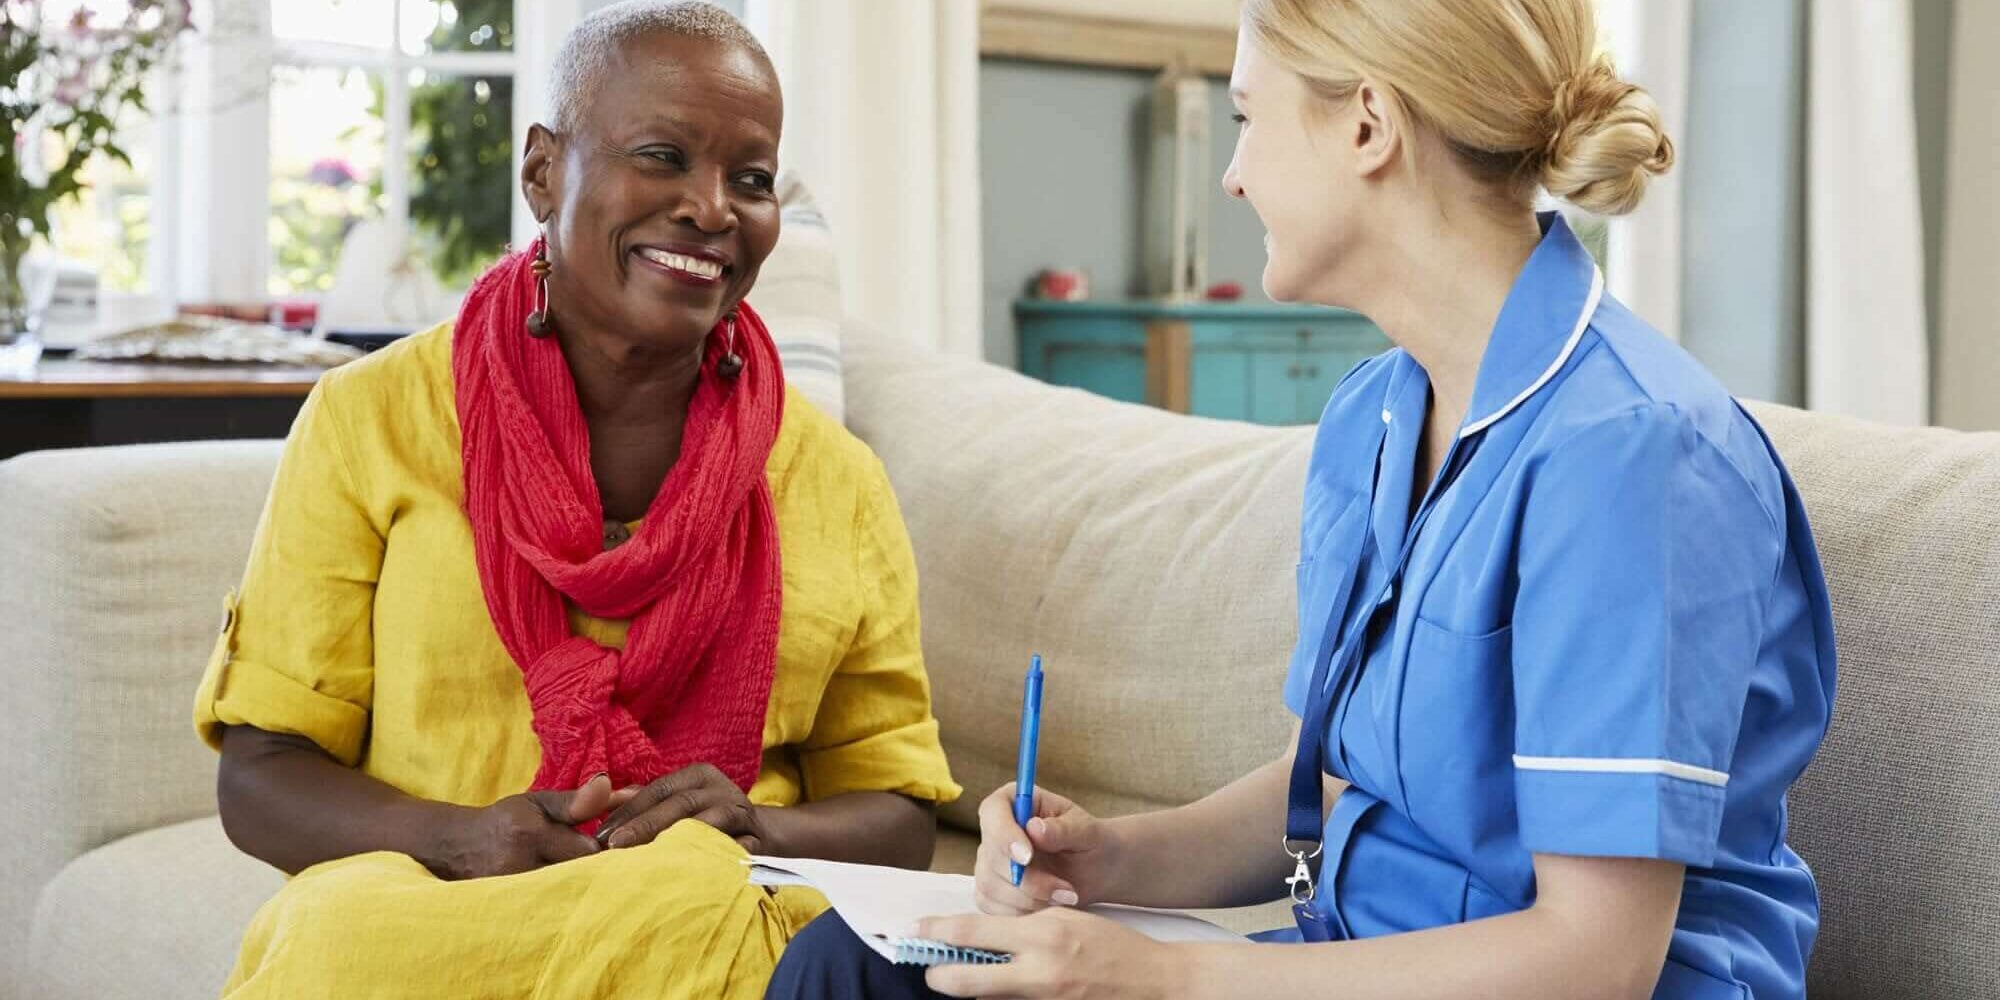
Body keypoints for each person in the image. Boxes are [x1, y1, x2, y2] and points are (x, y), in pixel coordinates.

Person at [766, 0, 1835, 997]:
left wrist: (1167, 978)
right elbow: (1323, 788)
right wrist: (1106, 861)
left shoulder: (1630, 456)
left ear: (1367, 124)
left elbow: (1594, 960)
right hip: (1343, 961)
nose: (1232, 177)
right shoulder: (1374, 417)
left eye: (1245, 116)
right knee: (850, 963)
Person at [191, 3, 959, 996]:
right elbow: (261, 774)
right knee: (333, 935)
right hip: (431, 902)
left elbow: (896, 811)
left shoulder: (835, 479)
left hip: (702, 912)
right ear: (543, 172)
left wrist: (754, 825)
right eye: (663, 157)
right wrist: (462, 837)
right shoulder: (370, 418)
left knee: (705, 903)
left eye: (751, 179)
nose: (712, 208)